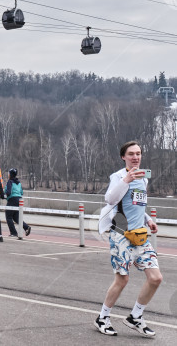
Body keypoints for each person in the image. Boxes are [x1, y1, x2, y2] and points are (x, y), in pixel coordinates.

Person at [94, 141, 162, 337]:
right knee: (122, 279)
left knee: (156, 278)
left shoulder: (144, 177)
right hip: (121, 234)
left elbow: (137, 203)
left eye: (138, 153)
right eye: (131, 154)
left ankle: (135, 317)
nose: (136, 157)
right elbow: (110, 199)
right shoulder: (118, 176)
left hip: (140, 235)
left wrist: (148, 219)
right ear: (123, 157)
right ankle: (102, 318)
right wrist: (126, 180)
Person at [4, 168, 30, 238]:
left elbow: (8, 192)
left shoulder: (10, 182)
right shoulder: (18, 183)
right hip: (19, 200)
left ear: (10, 175)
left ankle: (13, 232)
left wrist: (4, 195)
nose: (8, 174)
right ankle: (26, 227)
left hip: (12, 200)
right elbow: (21, 192)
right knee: (16, 217)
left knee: (8, 217)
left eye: (9, 173)